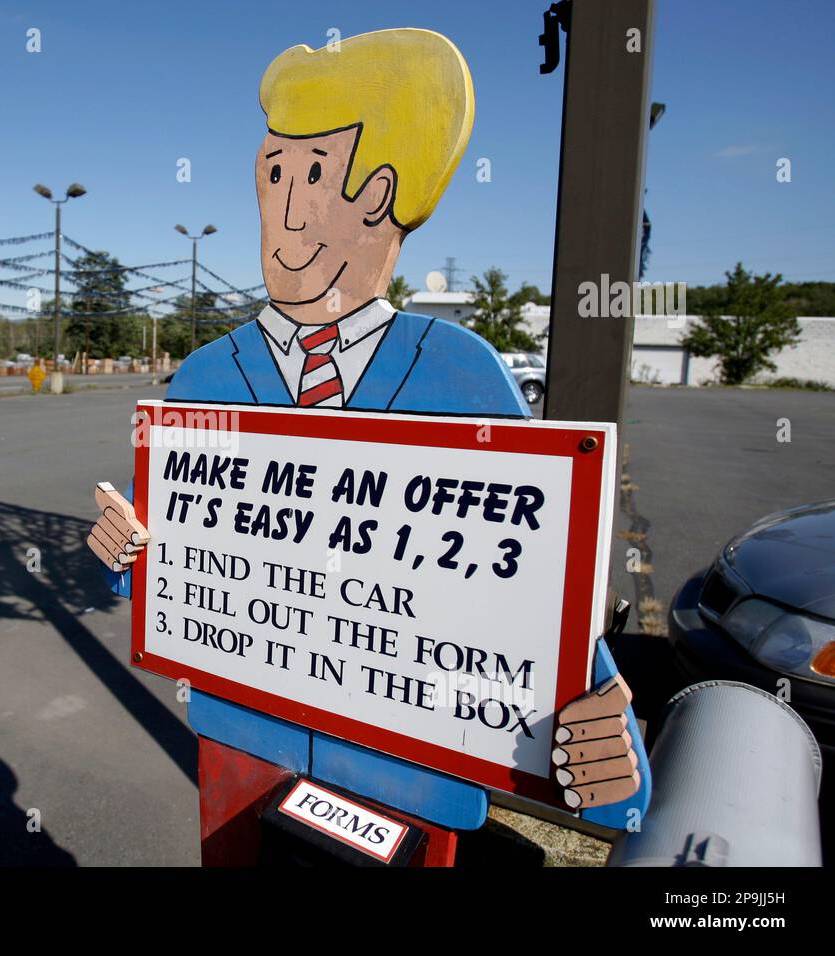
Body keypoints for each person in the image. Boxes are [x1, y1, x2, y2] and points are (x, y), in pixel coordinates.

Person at [87, 28, 649, 829]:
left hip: (408, 778)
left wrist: (605, 746)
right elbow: (162, 562)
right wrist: (125, 553)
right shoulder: (207, 375)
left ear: (379, 193)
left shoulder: (463, 374)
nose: (281, 210)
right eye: (271, 172)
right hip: (242, 747)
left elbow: (527, 584)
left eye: (310, 174)